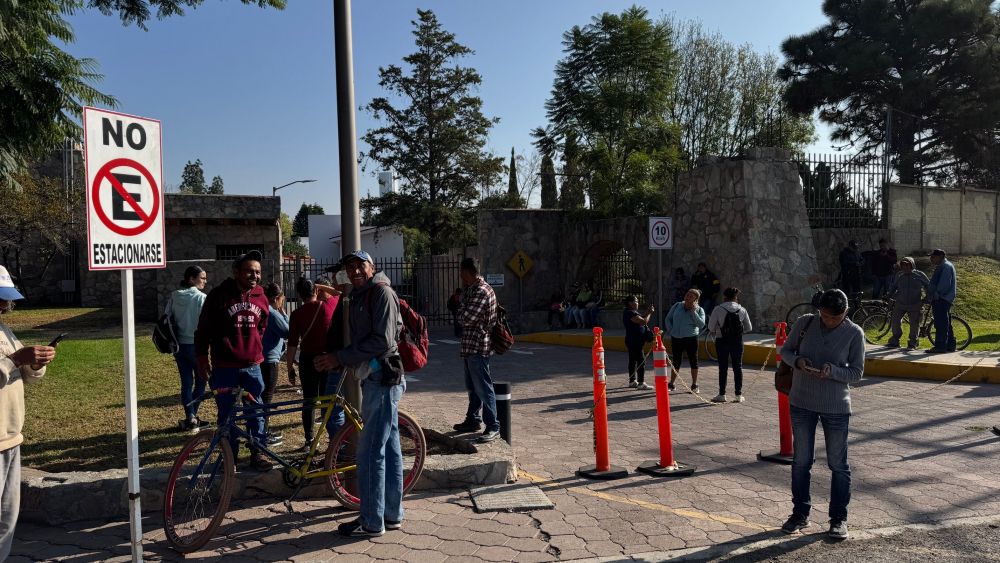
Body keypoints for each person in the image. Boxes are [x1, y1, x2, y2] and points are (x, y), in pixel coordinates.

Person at [315, 250, 405, 538]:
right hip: (375, 380)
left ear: (372, 266)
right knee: (389, 450)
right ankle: (390, 515)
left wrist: (340, 357)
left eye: (360, 265)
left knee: (369, 453)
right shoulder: (358, 294)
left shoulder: (381, 293)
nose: (354, 271)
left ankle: (371, 520)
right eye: (350, 267)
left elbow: (383, 340)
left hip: (383, 380)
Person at [779, 289, 864, 541]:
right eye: (824, 315)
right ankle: (799, 514)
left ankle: (838, 519)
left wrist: (833, 371)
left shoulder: (854, 333)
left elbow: (857, 372)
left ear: (845, 313)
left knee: (838, 464)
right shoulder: (805, 322)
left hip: (836, 406)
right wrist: (799, 362)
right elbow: (786, 351)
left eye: (833, 318)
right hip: (802, 401)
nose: (827, 321)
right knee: (801, 461)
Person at [194, 250, 271, 472]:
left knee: (256, 413)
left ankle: (258, 453)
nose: (254, 276)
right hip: (225, 367)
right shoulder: (219, 296)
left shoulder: (261, 296)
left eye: (257, 272)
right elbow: (203, 331)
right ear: (236, 272)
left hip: (252, 367)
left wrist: (253, 346)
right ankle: (230, 458)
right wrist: (202, 359)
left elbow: (262, 326)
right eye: (249, 271)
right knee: (227, 415)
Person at [0, 266, 56, 560]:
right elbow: (9, 365)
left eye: (6, 299)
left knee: (7, 521)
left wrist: (36, 363)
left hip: (11, 437)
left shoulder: (3, 330)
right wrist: (14, 360)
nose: (4, 305)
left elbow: (25, 372)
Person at [287, 276, 340, 449]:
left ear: (299, 295)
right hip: (327, 359)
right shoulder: (329, 306)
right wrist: (320, 286)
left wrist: (289, 367)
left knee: (309, 401)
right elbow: (339, 293)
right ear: (316, 291)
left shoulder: (296, 314)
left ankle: (309, 441)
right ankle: (333, 439)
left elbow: (293, 343)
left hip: (307, 360)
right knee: (329, 400)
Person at [452, 258, 501, 443]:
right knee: (473, 387)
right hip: (470, 345)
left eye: (462, 272)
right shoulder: (471, 289)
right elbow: (463, 313)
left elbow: (465, 318)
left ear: (469, 272)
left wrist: (461, 309)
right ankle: (473, 419)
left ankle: (493, 425)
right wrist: (462, 308)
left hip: (479, 346)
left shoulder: (481, 291)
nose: (460, 276)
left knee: (483, 386)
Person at [167, 265, 209, 432]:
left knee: (186, 383)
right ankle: (192, 416)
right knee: (201, 381)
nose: (205, 281)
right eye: (202, 278)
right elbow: (206, 323)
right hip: (196, 345)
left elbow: (167, 317)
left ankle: (190, 417)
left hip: (178, 345)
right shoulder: (201, 298)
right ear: (191, 279)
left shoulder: (174, 296)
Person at [706, 287, 753, 403]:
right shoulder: (742, 309)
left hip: (722, 341)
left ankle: (722, 394)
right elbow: (749, 328)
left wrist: (719, 329)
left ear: (724, 297)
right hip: (737, 341)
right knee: (738, 367)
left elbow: (710, 327)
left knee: (723, 368)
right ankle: (738, 395)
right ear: (736, 297)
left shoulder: (718, 309)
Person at [260, 281, 289, 446]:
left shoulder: (263, 309)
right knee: (267, 399)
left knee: (261, 398)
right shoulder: (272, 312)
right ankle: (263, 433)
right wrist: (283, 314)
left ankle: (262, 430)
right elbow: (287, 331)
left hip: (261, 358)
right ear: (277, 298)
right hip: (270, 360)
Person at [664, 288, 705, 393]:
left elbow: (701, 324)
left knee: (693, 361)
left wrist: (693, 312)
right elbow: (668, 318)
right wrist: (671, 330)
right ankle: (671, 383)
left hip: (691, 338)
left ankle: (694, 385)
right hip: (676, 337)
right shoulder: (677, 305)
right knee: (676, 361)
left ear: (696, 299)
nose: (688, 296)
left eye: (691, 296)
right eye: (687, 294)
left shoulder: (699, 310)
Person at [886, 257, 929, 350]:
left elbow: (928, 286)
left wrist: (926, 299)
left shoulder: (920, 274)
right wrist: (889, 295)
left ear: (912, 265)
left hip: (915, 304)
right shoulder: (899, 275)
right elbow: (894, 287)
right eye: (903, 265)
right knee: (895, 321)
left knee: (914, 324)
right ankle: (894, 341)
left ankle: (913, 343)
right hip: (900, 303)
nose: (905, 267)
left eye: (907, 265)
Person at [926, 249, 958, 353]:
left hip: (941, 298)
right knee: (946, 323)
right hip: (943, 298)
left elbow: (944, 285)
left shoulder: (945, 266)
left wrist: (936, 294)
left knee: (940, 323)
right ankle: (950, 345)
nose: (931, 259)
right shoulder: (944, 266)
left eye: (933, 257)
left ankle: (940, 346)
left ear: (940, 256)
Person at [623, 296, 654, 390]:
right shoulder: (630, 313)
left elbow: (641, 319)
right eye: (636, 301)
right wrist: (649, 313)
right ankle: (641, 383)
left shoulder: (632, 312)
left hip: (634, 340)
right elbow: (643, 321)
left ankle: (632, 381)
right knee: (641, 361)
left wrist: (647, 312)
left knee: (633, 361)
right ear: (630, 303)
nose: (638, 303)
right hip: (634, 341)